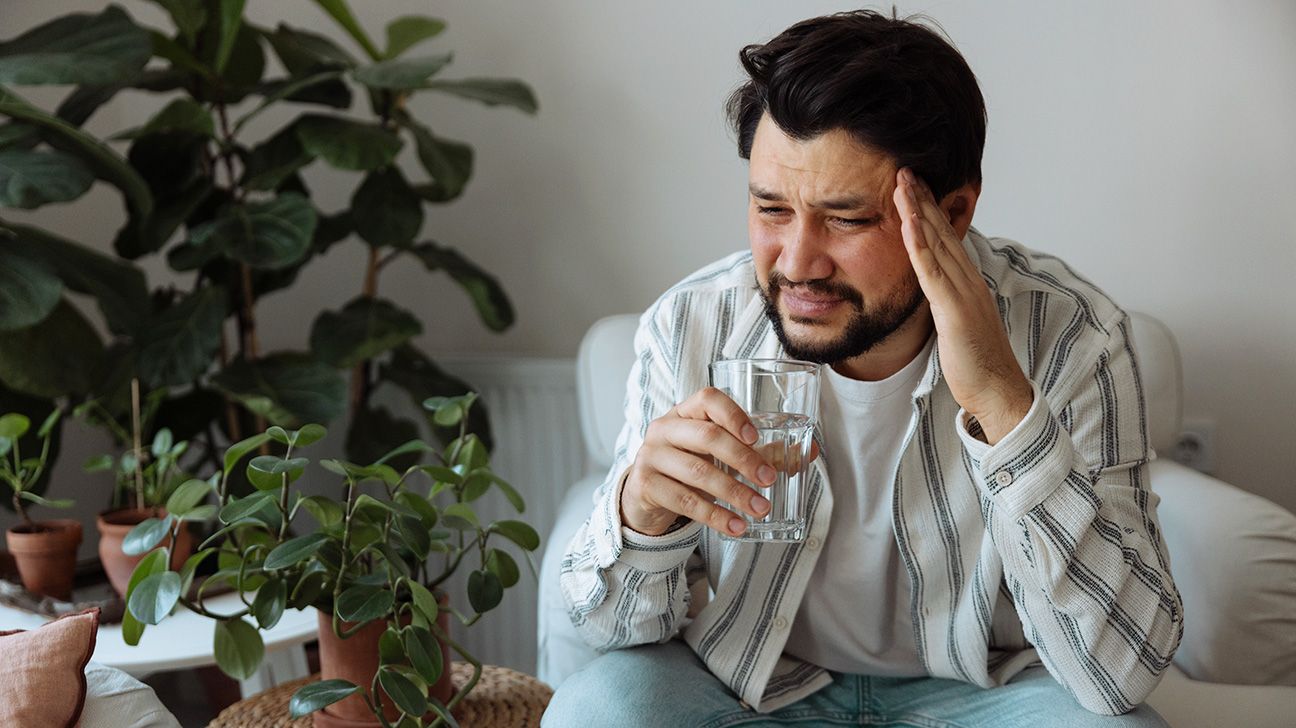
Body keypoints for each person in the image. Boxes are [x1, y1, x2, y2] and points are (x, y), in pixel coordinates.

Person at [546, 10, 1182, 727]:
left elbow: (1122, 676)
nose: (796, 263)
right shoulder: (692, 327)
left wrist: (1005, 404)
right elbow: (605, 635)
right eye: (771, 208)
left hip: (987, 693)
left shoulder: (1072, 338)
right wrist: (643, 515)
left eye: (846, 220)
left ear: (954, 211)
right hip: (749, 684)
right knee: (596, 710)